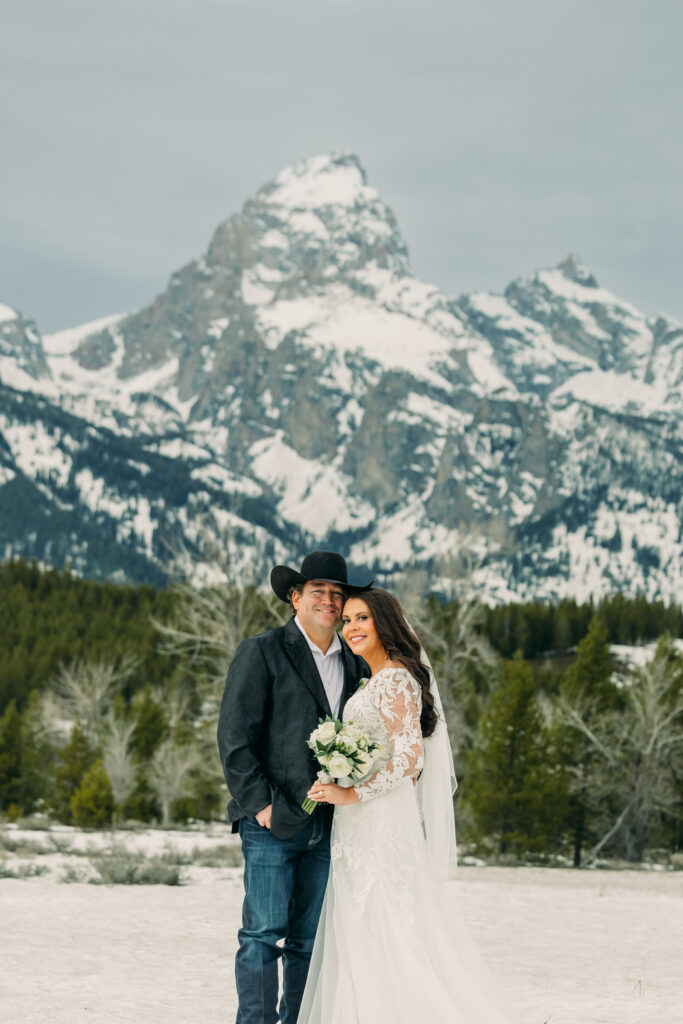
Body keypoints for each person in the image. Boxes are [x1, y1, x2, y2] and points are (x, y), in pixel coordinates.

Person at [299, 588, 517, 1024]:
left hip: (379, 823)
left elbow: (410, 758)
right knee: (360, 926)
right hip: (357, 823)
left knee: (386, 924)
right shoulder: (372, 681)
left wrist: (353, 791)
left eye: (361, 618)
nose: (351, 628)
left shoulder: (396, 678)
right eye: (347, 621)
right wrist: (339, 771)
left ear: (385, 623)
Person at [217, 551, 372, 1024]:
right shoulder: (261, 651)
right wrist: (262, 807)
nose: (328, 600)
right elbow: (234, 739)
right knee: (262, 935)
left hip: (330, 826)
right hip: (270, 823)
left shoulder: (356, 665)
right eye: (318, 591)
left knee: (310, 940)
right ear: (295, 598)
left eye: (337, 593)